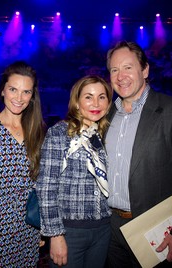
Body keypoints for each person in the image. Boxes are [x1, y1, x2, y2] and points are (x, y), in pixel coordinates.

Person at [104, 40, 172, 267]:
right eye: (114, 70)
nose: (121, 76)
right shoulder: (104, 114)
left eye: (128, 67)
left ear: (145, 70)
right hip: (109, 229)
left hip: (155, 230)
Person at [36, 74, 113, 268]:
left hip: (103, 229)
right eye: (88, 96)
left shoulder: (107, 135)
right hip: (69, 231)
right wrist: (55, 234)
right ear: (77, 103)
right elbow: (46, 188)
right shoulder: (60, 133)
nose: (95, 103)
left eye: (101, 97)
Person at [0, 60, 46, 267]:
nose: (19, 98)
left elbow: (41, 185)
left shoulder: (37, 131)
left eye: (26, 92)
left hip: (28, 229)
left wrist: (41, 226)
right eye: (13, 89)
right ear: (2, 90)